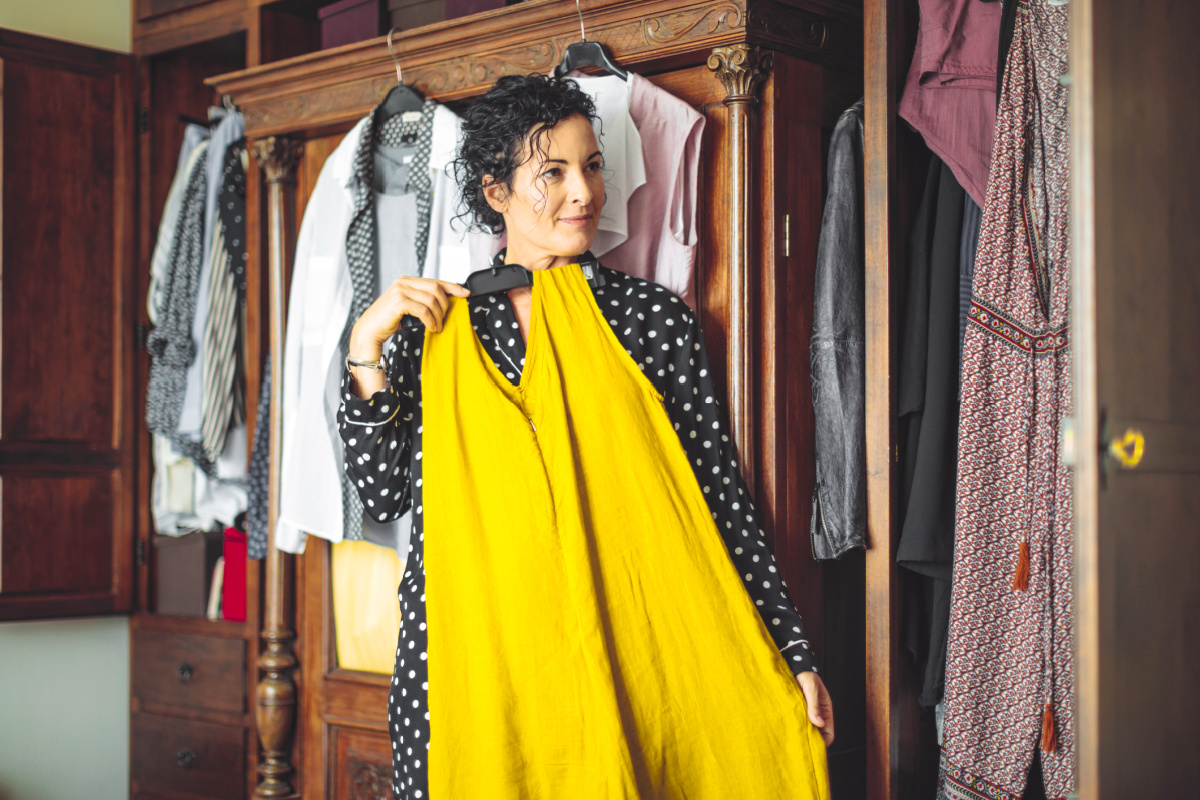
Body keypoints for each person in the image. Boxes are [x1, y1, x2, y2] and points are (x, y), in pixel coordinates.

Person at [339, 74, 834, 800]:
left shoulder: (648, 320)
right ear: (495, 191)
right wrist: (365, 346)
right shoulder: (433, 331)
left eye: (593, 165)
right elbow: (382, 495)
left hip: (626, 646)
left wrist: (794, 652)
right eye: (554, 172)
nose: (584, 192)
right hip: (474, 662)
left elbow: (719, 498)